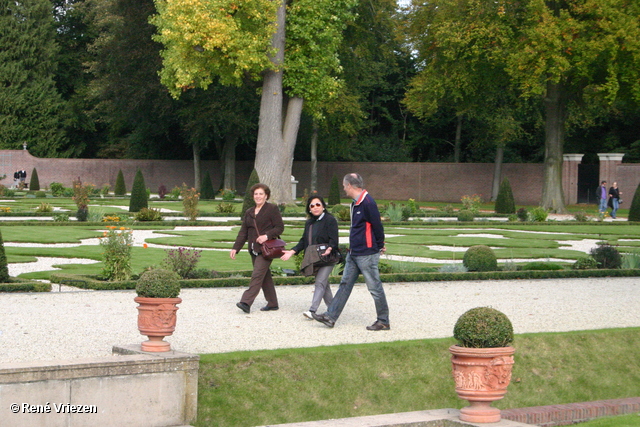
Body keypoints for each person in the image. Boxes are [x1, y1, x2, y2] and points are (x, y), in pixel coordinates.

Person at [312, 173, 390, 331]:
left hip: (367, 253)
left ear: (350, 186)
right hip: (354, 252)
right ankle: (330, 316)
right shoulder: (356, 203)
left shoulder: (368, 203)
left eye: (344, 185)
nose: (343, 188)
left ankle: (383, 320)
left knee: (374, 287)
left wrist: (380, 244)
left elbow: (377, 226)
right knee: (345, 284)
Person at [281, 195, 340, 319]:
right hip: (315, 258)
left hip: (328, 258)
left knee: (320, 283)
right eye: (312, 206)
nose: (315, 207)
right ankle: (333, 310)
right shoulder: (310, 223)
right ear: (309, 209)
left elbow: (334, 239)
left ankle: (312, 311)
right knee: (324, 285)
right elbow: (304, 241)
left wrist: (330, 248)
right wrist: (292, 251)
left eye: (318, 204)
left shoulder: (330, 220)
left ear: (323, 206)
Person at [230, 183, 284, 314]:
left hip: (266, 250)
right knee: (264, 276)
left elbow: (279, 227)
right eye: (256, 194)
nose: (258, 196)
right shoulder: (249, 212)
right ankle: (272, 303)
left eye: (261, 194)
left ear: (266, 196)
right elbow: (243, 232)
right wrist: (235, 248)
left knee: (257, 275)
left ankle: (246, 302)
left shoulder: (272, 209)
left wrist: (266, 236)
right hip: (253, 249)